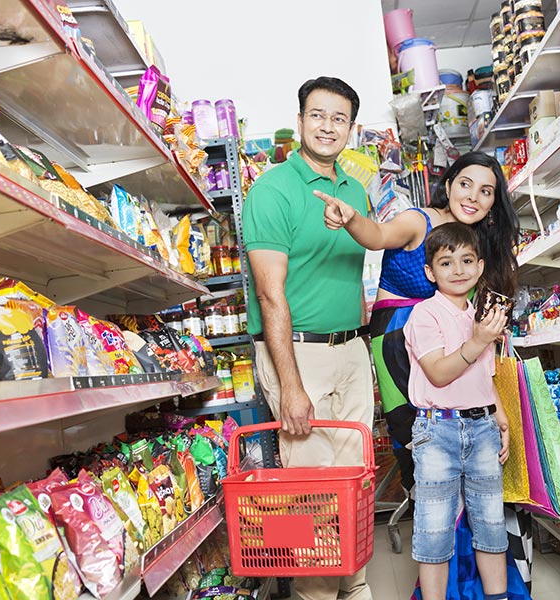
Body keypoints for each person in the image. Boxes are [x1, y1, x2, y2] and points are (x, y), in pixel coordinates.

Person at [317, 152, 519, 492]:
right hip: (397, 334)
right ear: (449, 184)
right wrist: (352, 219)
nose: (473, 196)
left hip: (450, 336)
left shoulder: (478, 240)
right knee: (415, 435)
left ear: (493, 202)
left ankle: (466, 535)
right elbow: (378, 235)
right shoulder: (418, 221)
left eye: (485, 191)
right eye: (465, 184)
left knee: (459, 427)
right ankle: (432, 521)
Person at [242, 76, 373, 600]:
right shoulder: (271, 190)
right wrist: (290, 385)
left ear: (350, 128)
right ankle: (316, 595)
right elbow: (271, 297)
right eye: (317, 115)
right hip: (297, 353)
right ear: (299, 121)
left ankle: (356, 587)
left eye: (338, 118)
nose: (327, 126)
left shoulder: (356, 191)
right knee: (315, 495)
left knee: (356, 485)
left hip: (351, 350)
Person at [403, 222, 510, 600]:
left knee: (491, 522)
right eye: (446, 263)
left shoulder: (481, 316)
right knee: (434, 528)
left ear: (480, 267)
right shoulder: (424, 315)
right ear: (431, 272)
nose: (459, 270)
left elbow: (485, 375)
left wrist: (500, 415)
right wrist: (479, 340)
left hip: (482, 428)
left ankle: (497, 595)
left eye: (467, 260)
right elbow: (438, 372)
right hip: (436, 431)